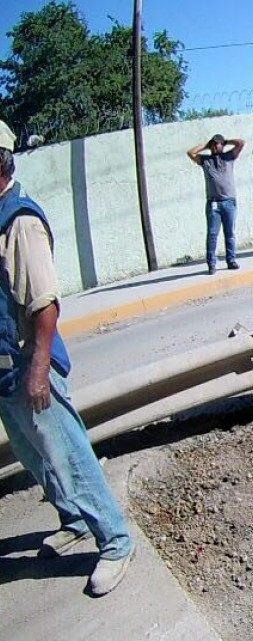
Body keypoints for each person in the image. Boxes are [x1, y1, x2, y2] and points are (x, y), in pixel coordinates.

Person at [0, 132, 134, 596]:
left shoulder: (19, 222)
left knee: (69, 456)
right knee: (36, 458)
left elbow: (45, 304)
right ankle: (73, 519)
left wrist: (38, 370)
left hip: (28, 363)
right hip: (5, 371)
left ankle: (116, 540)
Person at [187, 134, 245, 275]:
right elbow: (191, 153)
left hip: (229, 202)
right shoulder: (206, 160)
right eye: (213, 144)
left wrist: (226, 142)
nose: (215, 146)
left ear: (222, 145)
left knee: (230, 233)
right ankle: (211, 264)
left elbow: (241, 143)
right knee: (212, 234)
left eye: (217, 144)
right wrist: (206, 145)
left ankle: (231, 260)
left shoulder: (229, 156)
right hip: (213, 203)